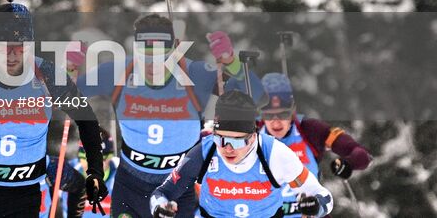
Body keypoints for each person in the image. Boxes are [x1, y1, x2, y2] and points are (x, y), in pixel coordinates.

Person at [74, 15, 255, 218]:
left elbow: (254, 98)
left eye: (162, 57)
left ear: (175, 49)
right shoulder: (117, 72)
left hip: (177, 187)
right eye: (145, 57)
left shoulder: (195, 74)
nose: (153, 65)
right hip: (130, 187)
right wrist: (70, 70)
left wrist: (232, 63)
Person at [0, 3, 107, 218]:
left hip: (25, 195)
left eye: (20, 47)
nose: (12, 56)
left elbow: (86, 119)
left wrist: (95, 171)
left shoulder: (47, 75)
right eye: (4, 47)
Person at [150, 91, 334, 218]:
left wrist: (316, 205)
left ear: (253, 137)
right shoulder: (204, 152)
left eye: (237, 141)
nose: (227, 148)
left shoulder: (275, 154)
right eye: (221, 139)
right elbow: (162, 193)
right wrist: (160, 207)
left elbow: (324, 197)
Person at [257, 73, 370, 215]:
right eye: (269, 114)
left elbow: (362, 155)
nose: (276, 122)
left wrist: (349, 163)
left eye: (282, 113)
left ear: (292, 110)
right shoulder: (249, 135)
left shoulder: (310, 130)